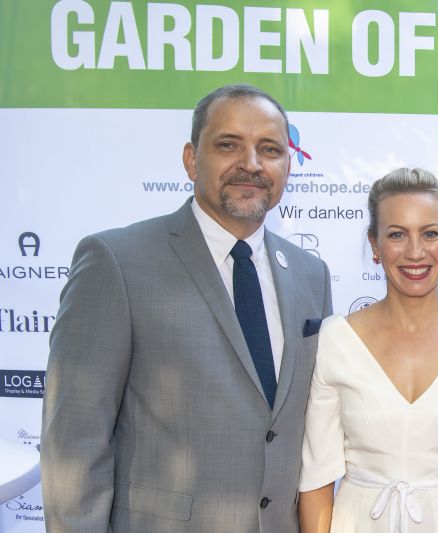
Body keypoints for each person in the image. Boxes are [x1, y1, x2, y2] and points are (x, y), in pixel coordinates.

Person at [41, 84, 332, 532]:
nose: (251, 164)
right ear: (192, 159)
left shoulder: (311, 274)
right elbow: (75, 441)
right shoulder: (117, 261)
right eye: (228, 145)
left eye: (270, 149)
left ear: (288, 166)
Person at [298, 168, 438, 533]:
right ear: (375, 244)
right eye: (397, 234)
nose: (415, 252)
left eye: (430, 234)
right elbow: (316, 480)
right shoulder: (336, 339)